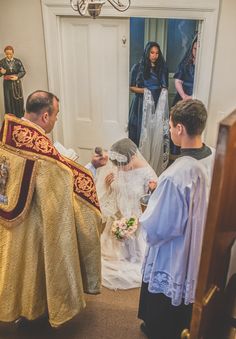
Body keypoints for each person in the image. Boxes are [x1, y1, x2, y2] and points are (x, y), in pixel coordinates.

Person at [0, 90, 102, 327]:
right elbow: (64, 185)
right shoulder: (44, 157)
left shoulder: (7, 134)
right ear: (45, 116)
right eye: (56, 115)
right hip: (32, 227)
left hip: (7, 214)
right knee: (36, 259)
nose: (56, 120)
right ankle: (37, 310)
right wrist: (91, 172)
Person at [138, 99, 215, 339]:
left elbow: (160, 228)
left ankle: (161, 330)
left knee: (169, 288)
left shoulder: (177, 174)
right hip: (202, 242)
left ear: (180, 128)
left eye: (170, 126)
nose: (170, 130)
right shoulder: (212, 155)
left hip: (177, 250)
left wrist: (149, 207)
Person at [96, 138, 157, 290]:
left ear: (134, 157)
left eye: (123, 165)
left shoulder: (147, 173)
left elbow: (150, 201)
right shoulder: (117, 168)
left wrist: (152, 189)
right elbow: (112, 194)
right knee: (115, 251)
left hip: (138, 219)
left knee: (137, 254)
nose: (120, 169)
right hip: (121, 216)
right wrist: (108, 185)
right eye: (118, 165)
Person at [128, 41, 169, 151]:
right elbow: (131, 87)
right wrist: (145, 91)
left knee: (154, 131)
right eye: (152, 52)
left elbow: (165, 87)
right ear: (147, 53)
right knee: (140, 130)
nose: (154, 55)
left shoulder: (162, 68)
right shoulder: (137, 67)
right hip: (141, 103)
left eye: (157, 53)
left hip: (157, 103)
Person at [170, 35, 198, 161]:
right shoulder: (186, 63)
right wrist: (185, 97)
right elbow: (178, 81)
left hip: (197, 101)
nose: (196, 52)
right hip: (183, 98)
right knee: (180, 127)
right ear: (191, 49)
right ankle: (178, 156)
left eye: (199, 49)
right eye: (194, 49)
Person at [0, 45, 26, 117]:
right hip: (7, 85)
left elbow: (23, 71)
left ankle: (20, 116)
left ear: (13, 53)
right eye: (7, 54)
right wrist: (2, 73)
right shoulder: (2, 62)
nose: (8, 55)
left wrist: (17, 76)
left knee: (18, 99)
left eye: (10, 54)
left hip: (16, 84)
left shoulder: (17, 61)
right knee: (8, 101)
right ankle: (10, 118)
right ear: (5, 53)